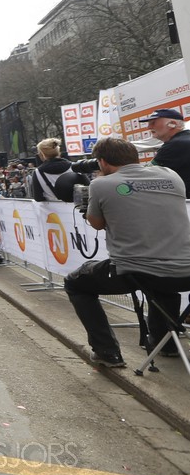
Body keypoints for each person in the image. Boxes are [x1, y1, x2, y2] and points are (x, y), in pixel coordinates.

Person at [63, 137, 190, 367]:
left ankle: (107, 351)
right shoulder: (171, 175)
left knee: (75, 283)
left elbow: (97, 223)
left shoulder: (101, 184)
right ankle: (166, 344)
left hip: (135, 271)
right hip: (185, 271)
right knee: (164, 283)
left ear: (102, 162)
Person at [143, 109, 190, 195]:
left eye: (153, 123)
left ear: (172, 124)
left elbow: (144, 175)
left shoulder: (175, 145)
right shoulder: (184, 139)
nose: (149, 127)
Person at [31, 138, 84, 202]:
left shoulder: (38, 172)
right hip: (75, 205)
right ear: (59, 152)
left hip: (52, 207)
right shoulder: (74, 166)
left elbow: (38, 197)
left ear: (42, 154)